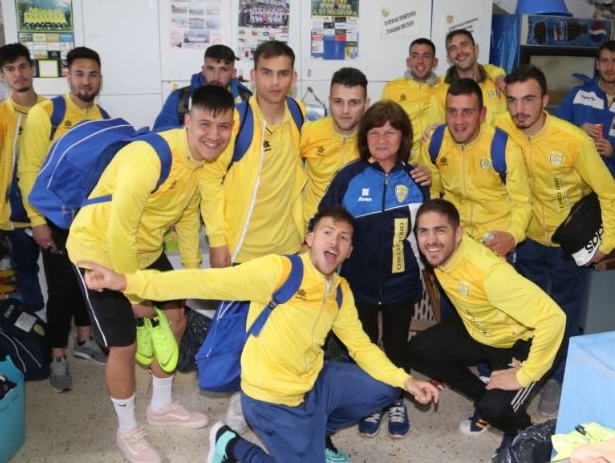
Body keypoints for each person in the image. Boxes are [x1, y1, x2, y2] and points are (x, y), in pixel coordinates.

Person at [79, 207, 440, 463]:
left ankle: (314, 434)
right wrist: (125, 281)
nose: (335, 241)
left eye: (344, 238)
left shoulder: (340, 290)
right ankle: (230, 445)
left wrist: (406, 381)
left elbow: (361, 346)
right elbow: (203, 281)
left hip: (313, 383)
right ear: (310, 238)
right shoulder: (280, 271)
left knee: (384, 387)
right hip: (269, 399)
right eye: (327, 232)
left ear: (349, 251)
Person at [66, 85, 235, 463]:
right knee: (124, 343)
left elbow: (188, 216)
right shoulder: (149, 157)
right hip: (98, 250)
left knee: (176, 318)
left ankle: (161, 405)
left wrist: (191, 274)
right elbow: (119, 232)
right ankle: (127, 429)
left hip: (144, 248)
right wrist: (135, 295)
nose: (214, 135)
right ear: (187, 121)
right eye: (205, 124)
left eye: (223, 126)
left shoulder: (202, 163)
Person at [495, 64, 615, 417]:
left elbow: (609, 193)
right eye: (512, 101)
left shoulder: (573, 140)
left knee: (565, 313)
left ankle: (557, 377)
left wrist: (608, 243)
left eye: (528, 100)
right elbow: (469, 126)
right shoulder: (502, 128)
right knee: (529, 312)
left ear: (545, 100)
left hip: (570, 243)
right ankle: (528, 370)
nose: (519, 109)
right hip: (528, 239)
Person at [198, 40, 309, 437]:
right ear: (253, 74)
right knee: (239, 337)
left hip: (288, 248)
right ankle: (240, 401)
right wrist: (218, 240)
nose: (274, 82)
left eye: (283, 73)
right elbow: (209, 178)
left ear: (293, 77)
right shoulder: (238, 118)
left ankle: (267, 401)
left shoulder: (299, 114)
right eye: (266, 73)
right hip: (242, 251)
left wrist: (307, 234)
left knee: (276, 335)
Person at [409, 199, 565, 456]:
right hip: (483, 331)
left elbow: (554, 318)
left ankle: (521, 431)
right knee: (419, 350)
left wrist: (523, 375)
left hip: (524, 343)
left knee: (498, 408)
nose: (431, 240)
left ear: (458, 234)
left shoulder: (490, 273)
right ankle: (484, 400)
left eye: (440, 230)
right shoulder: (440, 256)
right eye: (423, 231)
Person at [319, 101, 429, 440]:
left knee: (396, 345)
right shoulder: (349, 177)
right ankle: (370, 402)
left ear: (403, 137)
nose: (382, 139)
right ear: (365, 137)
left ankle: (395, 399)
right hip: (357, 284)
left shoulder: (417, 179)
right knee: (362, 346)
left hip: (402, 283)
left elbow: (430, 230)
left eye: (391, 132)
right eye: (375, 132)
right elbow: (323, 222)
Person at [17, 46, 109, 392]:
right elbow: (28, 171)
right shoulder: (46, 114)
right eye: (80, 74)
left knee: (88, 281)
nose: (87, 81)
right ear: (68, 75)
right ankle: (57, 355)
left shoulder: (102, 117)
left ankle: (84, 341)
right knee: (61, 289)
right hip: (54, 218)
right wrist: (37, 220)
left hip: (89, 219)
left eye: (93, 74)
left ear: (100, 78)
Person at [423, 78, 531, 261]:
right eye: (452, 111)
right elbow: (432, 193)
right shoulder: (434, 142)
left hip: (495, 245)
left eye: (467, 112)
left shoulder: (504, 149)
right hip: (454, 243)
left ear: (482, 114)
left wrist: (512, 236)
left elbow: (522, 202)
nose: (458, 121)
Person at [0, 43, 45, 312]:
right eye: (10, 69)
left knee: (62, 274)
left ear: (32, 69)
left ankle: (65, 325)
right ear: (2, 75)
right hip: (16, 213)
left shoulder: (53, 110)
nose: (18, 74)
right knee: (25, 270)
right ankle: (36, 320)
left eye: (22, 66)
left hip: (52, 210)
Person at [554, 40, 615, 185]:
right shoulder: (578, 95)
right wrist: (577, 132)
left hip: (610, 187)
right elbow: (552, 133)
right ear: (597, 64)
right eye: (604, 61)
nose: (609, 67)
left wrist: (614, 152)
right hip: (572, 184)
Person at [301, 67, 369, 226]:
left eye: (354, 102)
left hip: (354, 232)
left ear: (366, 104)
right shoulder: (309, 132)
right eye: (338, 102)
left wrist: (422, 170)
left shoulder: (375, 142)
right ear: (329, 101)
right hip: (310, 230)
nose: (345, 110)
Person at [153, 44, 251, 131]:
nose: (216, 77)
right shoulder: (180, 98)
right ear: (203, 70)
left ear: (233, 73)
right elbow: (161, 137)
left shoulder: (247, 100)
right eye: (210, 69)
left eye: (223, 70)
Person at [430, 29, 507, 126]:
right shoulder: (440, 95)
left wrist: (498, 75)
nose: (459, 51)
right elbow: (435, 133)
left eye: (464, 45)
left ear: (476, 49)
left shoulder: (499, 85)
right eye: (453, 48)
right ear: (449, 57)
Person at [381, 38, 440, 155]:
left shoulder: (445, 88)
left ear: (434, 62)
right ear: (408, 61)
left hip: (435, 158)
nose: (420, 61)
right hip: (402, 158)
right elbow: (382, 125)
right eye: (415, 56)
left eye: (426, 56)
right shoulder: (391, 88)